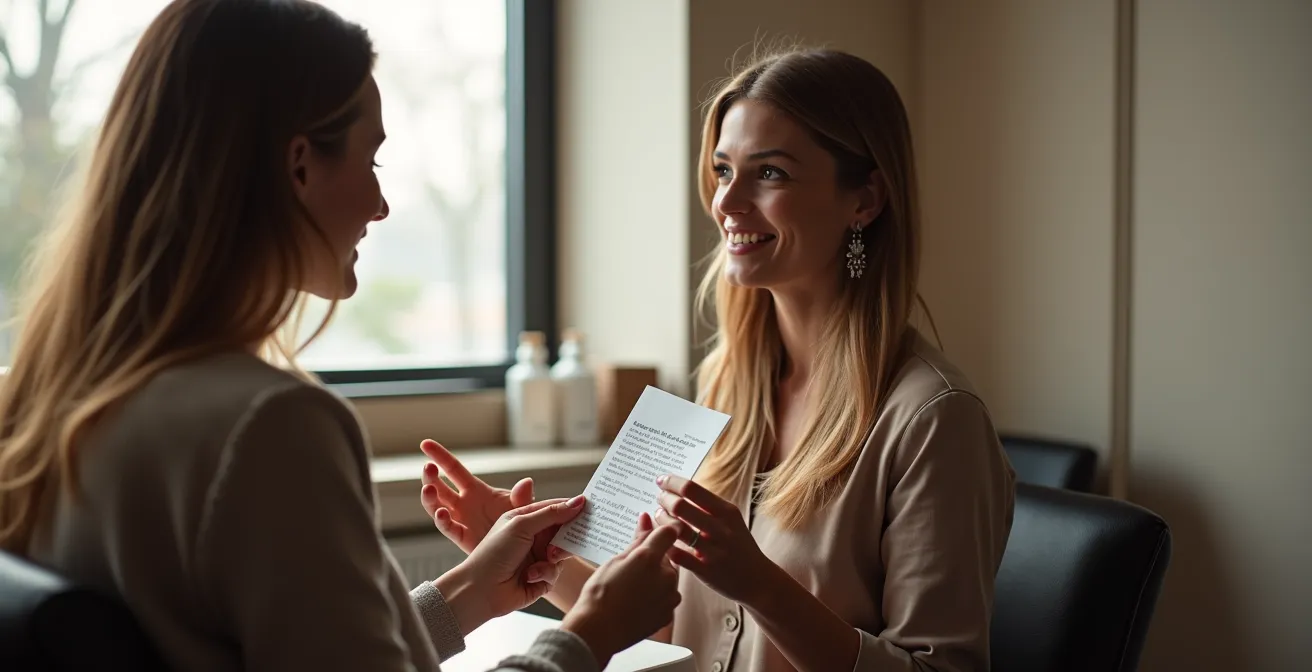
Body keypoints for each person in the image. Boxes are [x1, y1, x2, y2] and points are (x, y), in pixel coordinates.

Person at [0, 1, 682, 671]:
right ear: (300, 167)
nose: (381, 204)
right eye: (372, 158)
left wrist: (470, 591)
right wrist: (593, 630)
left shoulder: (49, 399)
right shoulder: (271, 426)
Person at [419, 46, 1016, 672]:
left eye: (771, 173)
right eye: (724, 170)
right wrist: (535, 557)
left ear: (864, 199)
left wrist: (759, 583)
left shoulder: (934, 421)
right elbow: (669, 623)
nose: (727, 204)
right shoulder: (720, 386)